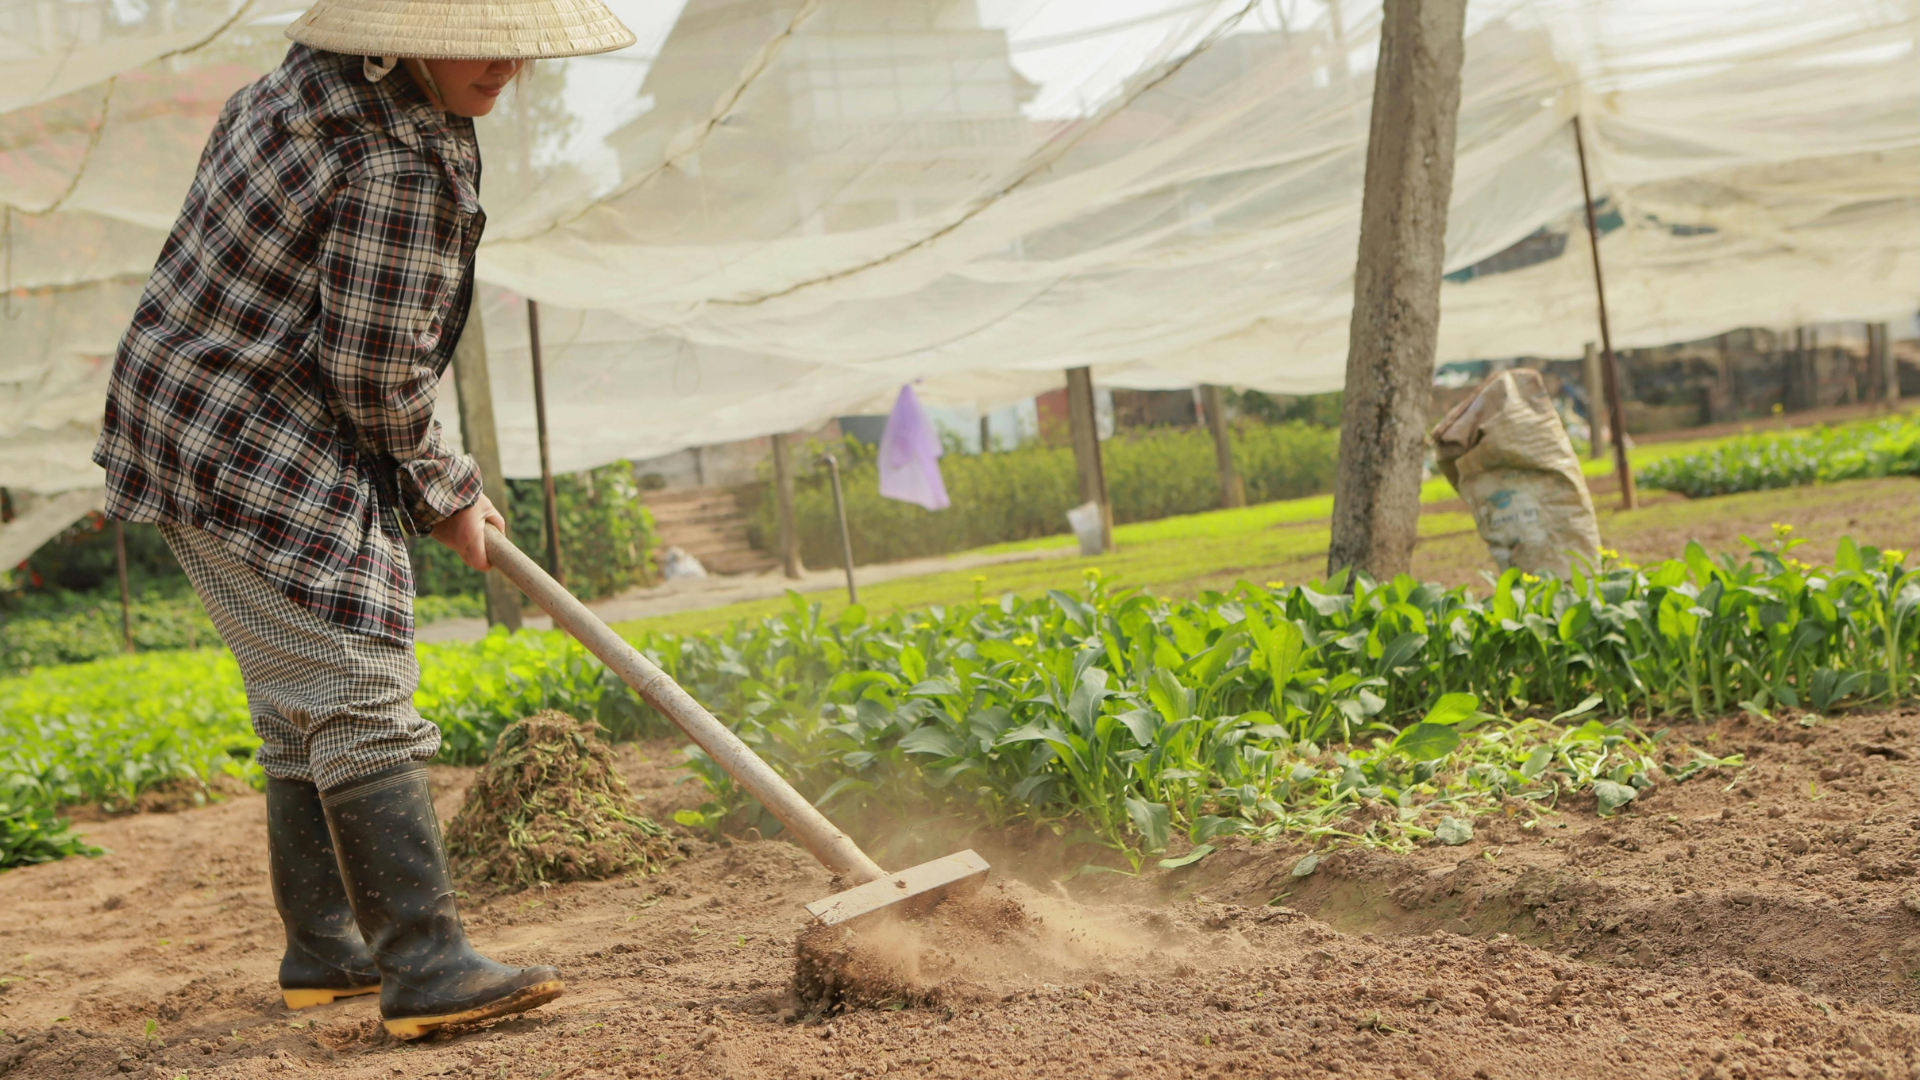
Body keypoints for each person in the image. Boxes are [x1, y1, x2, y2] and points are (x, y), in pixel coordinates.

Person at [89, 0, 633, 1042]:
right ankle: (424, 966)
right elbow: (377, 373)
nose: (508, 62)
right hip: (248, 436)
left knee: (302, 695)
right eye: (478, 37)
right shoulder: (398, 160)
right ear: (399, 27)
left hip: (189, 413)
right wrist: (443, 488)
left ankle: (326, 947)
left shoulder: (302, 90)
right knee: (353, 677)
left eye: (517, 37)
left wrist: (437, 486)